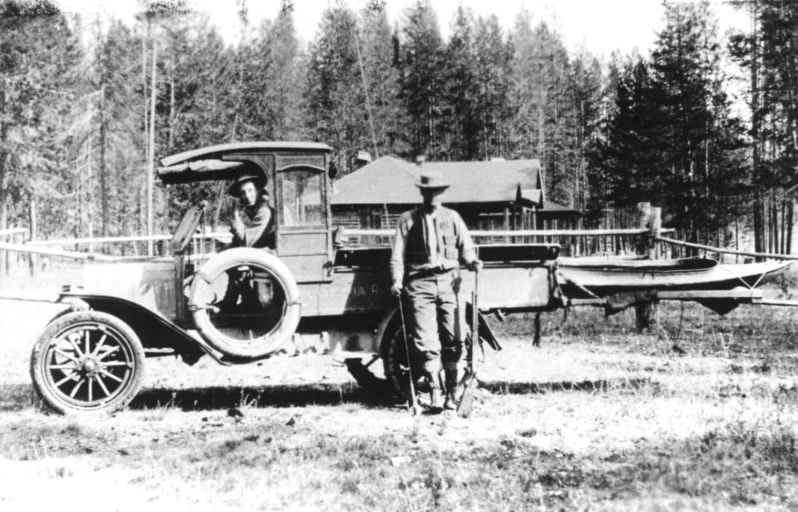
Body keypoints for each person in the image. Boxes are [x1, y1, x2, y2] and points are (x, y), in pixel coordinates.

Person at [390, 170, 482, 411]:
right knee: (427, 342)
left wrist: (472, 262)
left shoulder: (453, 218)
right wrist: (397, 280)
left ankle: (452, 394)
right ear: (422, 193)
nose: (433, 197)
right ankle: (434, 393)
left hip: (450, 283)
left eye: (437, 192)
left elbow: (466, 250)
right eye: (428, 192)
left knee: (454, 338)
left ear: (442, 193)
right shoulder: (407, 219)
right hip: (419, 285)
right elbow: (397, 256)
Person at [228, 172, 275, 249]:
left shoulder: (265, 210)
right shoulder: (252, 208)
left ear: (258, 190)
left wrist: (235, 214)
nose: (247, 196)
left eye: (250, 190)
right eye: (243, 192)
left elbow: (245, 242)